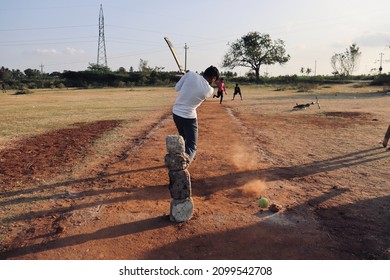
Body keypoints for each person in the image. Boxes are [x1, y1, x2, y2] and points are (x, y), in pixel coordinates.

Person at [172, 66, 220, 162]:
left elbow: (177, 88)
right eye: (214, 80)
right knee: (192, 146)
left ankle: (183, 156)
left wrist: (186, 77)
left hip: (176, 113)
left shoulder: (190, 74)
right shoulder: (209, 90)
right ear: (213, 78)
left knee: (184, 139)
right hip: (189, 118)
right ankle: (183, 163)